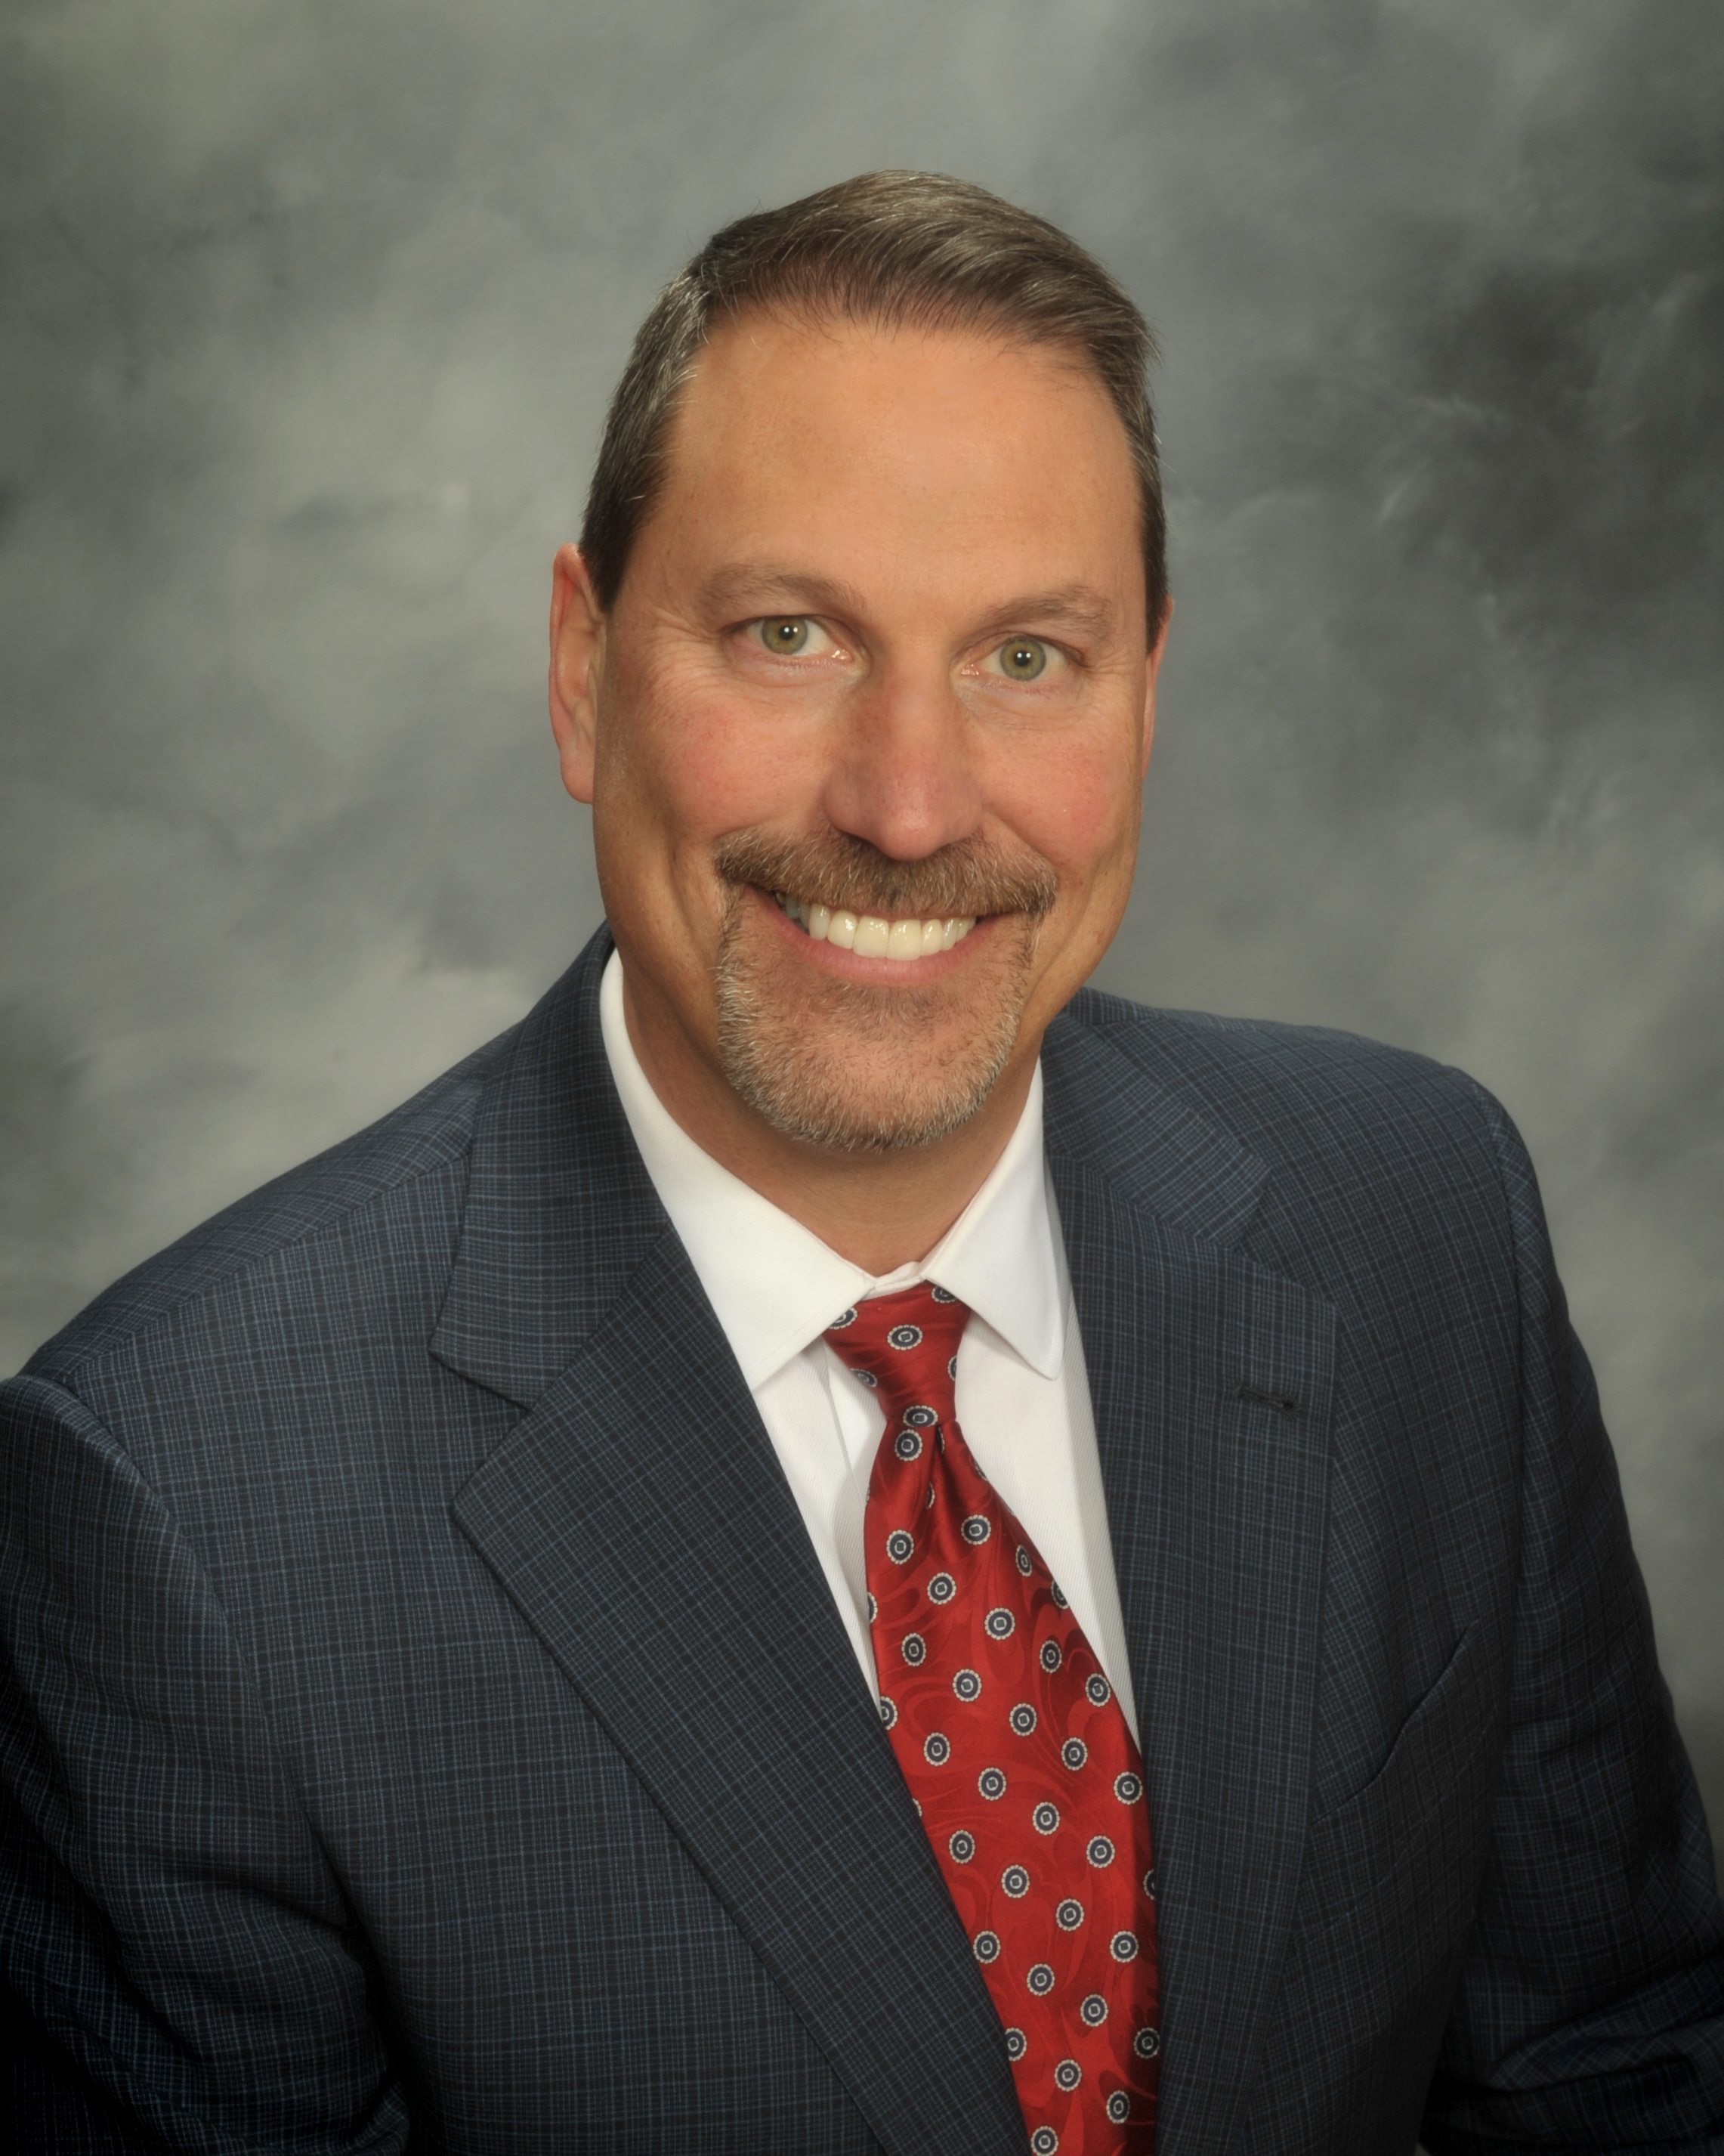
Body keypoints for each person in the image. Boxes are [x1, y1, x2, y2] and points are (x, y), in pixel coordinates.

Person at [2, 169, 1719, 2156]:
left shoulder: (1416, 1219)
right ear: (582, 671)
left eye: (1026, 658)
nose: (908, 806)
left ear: (1146, 693)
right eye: (789, 632)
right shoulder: (179, 1513)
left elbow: (1615, 2082)